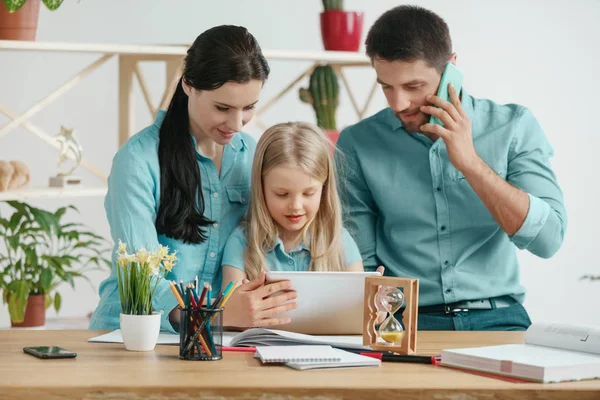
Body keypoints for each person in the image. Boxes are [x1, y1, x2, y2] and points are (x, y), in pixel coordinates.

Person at [335, 5, 567, 331]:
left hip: (499, 317)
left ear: (450, 68)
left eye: (414, 86)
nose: (398, 103)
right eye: (386, 86)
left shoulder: (513, 126)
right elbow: (362, 264)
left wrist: (470, 162)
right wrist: (386, 333)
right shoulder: (358, 143)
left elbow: (548, 240)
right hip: (405, 322)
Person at [89, 25, 292, 332]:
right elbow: (142, 278)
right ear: (188, 85)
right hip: (137, 334)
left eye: (248, 108)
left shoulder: (252, 154)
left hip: (218, 337)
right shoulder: (138, 160)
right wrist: (214, 317)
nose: (236, 123)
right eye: (222, 107)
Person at [221, 122, 366, 328]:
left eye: (308, 193)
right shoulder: (241, 242)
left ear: (324, 190)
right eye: (282, 194)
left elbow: (360, 313)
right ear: (261, 189)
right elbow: (231, 316)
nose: (295, 206)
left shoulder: (339, 240)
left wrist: (374, 312)